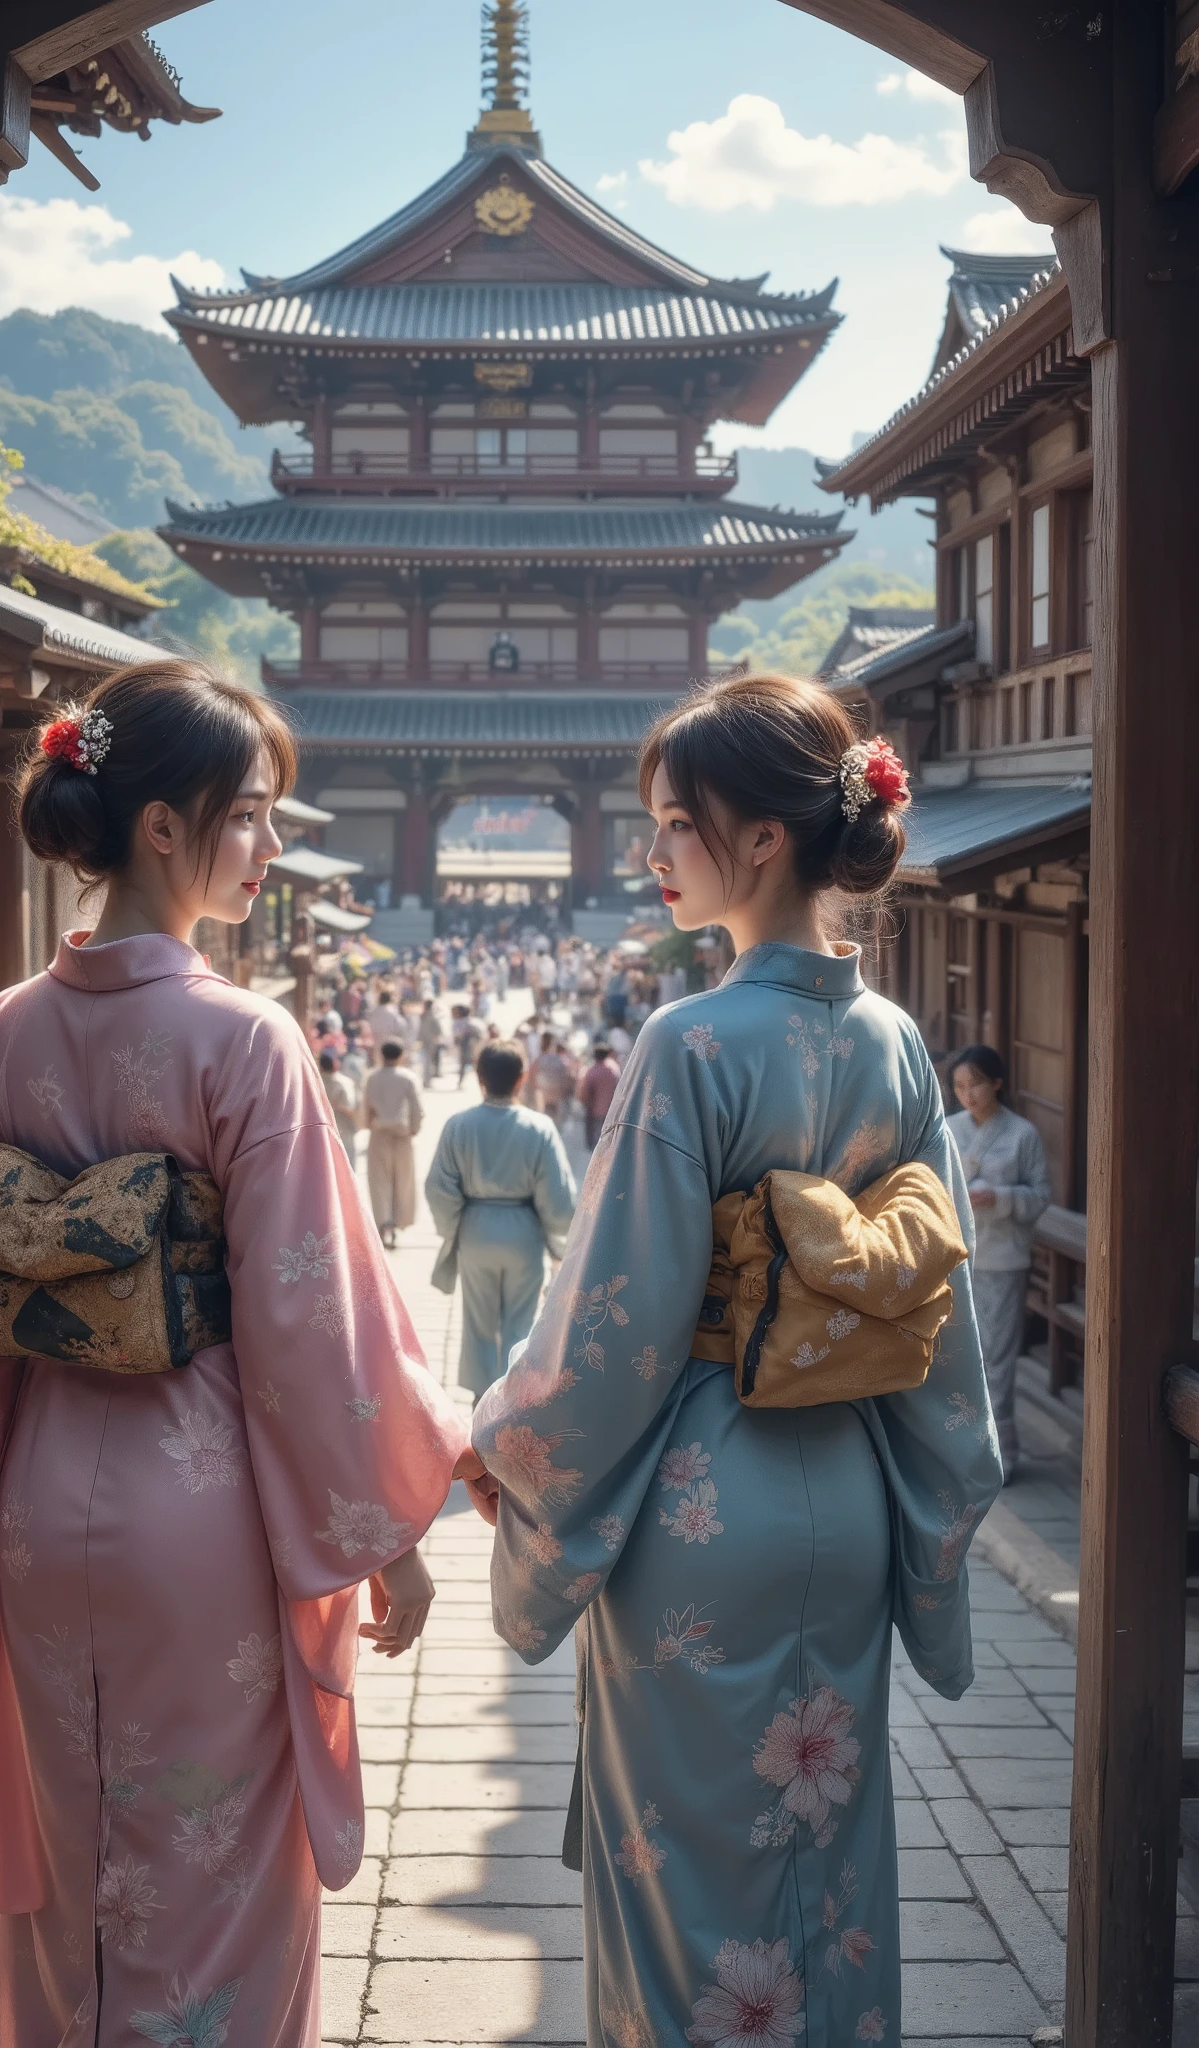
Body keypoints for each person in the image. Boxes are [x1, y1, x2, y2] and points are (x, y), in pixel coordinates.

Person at [0, 661, 475, 2046]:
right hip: (200, 1516)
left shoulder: (5, 1034)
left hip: (40, 1497)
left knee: (75, 1881)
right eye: (250, 815)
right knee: (214, 1892)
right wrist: (387, 1531)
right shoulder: (241, 1041)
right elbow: (305, 1321)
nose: (267, 846)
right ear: (159, 827)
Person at [463, 672, 1001, 2046]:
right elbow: (943, 1328)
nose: (652, 857)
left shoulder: (690, 1043)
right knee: (827, 1868)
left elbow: (617, 1326)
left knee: (687, 1890)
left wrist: (504, 1436)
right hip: (855, 1484)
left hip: (702, 1501)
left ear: (762, 838)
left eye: (673, 828)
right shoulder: (895, 1043)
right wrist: (937, 1527)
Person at [425, 1043, 577, 1398]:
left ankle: (480, 1398)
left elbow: (438, 1187)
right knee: (521, 1323)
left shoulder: (458, 1125)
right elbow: (558, 1198)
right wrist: (559, 1243)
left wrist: (453, 1229)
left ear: (480, 1079)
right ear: (522, 1079)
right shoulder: (539, 1127)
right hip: (523, 1231)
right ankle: (509, 1399)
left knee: (478, 1321)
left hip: (475, 1229)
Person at [948, 1043, 1051, 1483]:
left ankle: (1000, 1454)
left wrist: (1001, 1197)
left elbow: (1041, 1196)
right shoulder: (948, 1130)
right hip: (955, 1255)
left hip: (1002, 1257)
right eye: (959, 1086)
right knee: (953, 1354)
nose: (968, 1094)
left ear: (997, 1083)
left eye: (975, 1084)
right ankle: (958, 1449)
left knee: (997, 1355)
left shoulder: (1022, 1134)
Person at [362, 1039, 424, 1249]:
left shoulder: (372, 1077)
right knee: (403, 1181)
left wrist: (367, 1125)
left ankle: (383, 1221)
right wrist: (414, 1129)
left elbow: (365, 1107)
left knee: (379, 1180)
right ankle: (397, 1221)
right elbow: (416, 1108)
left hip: (379, 1134)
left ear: (381, 1055)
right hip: (402, 1136)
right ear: (401, 1056)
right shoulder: (408, 1078)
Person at [575, 1040, 621, 1149]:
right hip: (611, 1110)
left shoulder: (591, 1071)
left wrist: (586, 1103)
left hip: (594, 1110)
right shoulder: (614, 1069)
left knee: (596, 1139)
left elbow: (584, 1092)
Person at [318, 1047, 359, 1165]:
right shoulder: (345, 1082)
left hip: (323, 1129)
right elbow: (351, 1107)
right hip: (344, 1128)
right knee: (347, 1165)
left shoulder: (315, 1082)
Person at [526, 1032, 575, 1127]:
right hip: (555, 1099)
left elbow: (531, 1080)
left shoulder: (539, 1060)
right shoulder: (561, 1061)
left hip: (542, 1100)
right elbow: (568, 1079)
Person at [416, 997, 447, 1087]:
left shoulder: (426, 1016)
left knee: (426, 1062)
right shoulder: (428, 1016)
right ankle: (427, 1081)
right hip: (428, 1042)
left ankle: (427, 1081)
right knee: (427, 1062)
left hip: (427, 1042)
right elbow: (438, 1031)